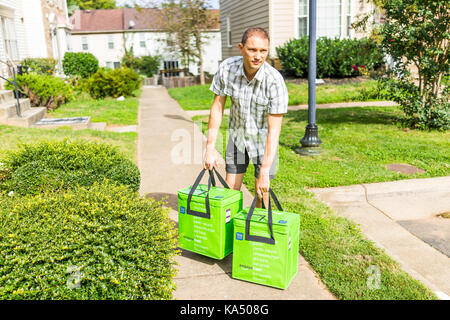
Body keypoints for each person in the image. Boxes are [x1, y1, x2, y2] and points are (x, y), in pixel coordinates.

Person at [203, 27, 288, 208]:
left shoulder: (274, 81)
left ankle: (256, 233)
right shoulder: (227, 69)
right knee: (230, 194)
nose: (258, 56)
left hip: (264, 143)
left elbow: (274, 130)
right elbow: (217, 108)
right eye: (252, 50)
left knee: (261, 195)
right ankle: (231, 232)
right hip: (238, 138)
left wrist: (264, 170)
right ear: (241, 48)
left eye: (263, 51)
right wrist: (210, 148)